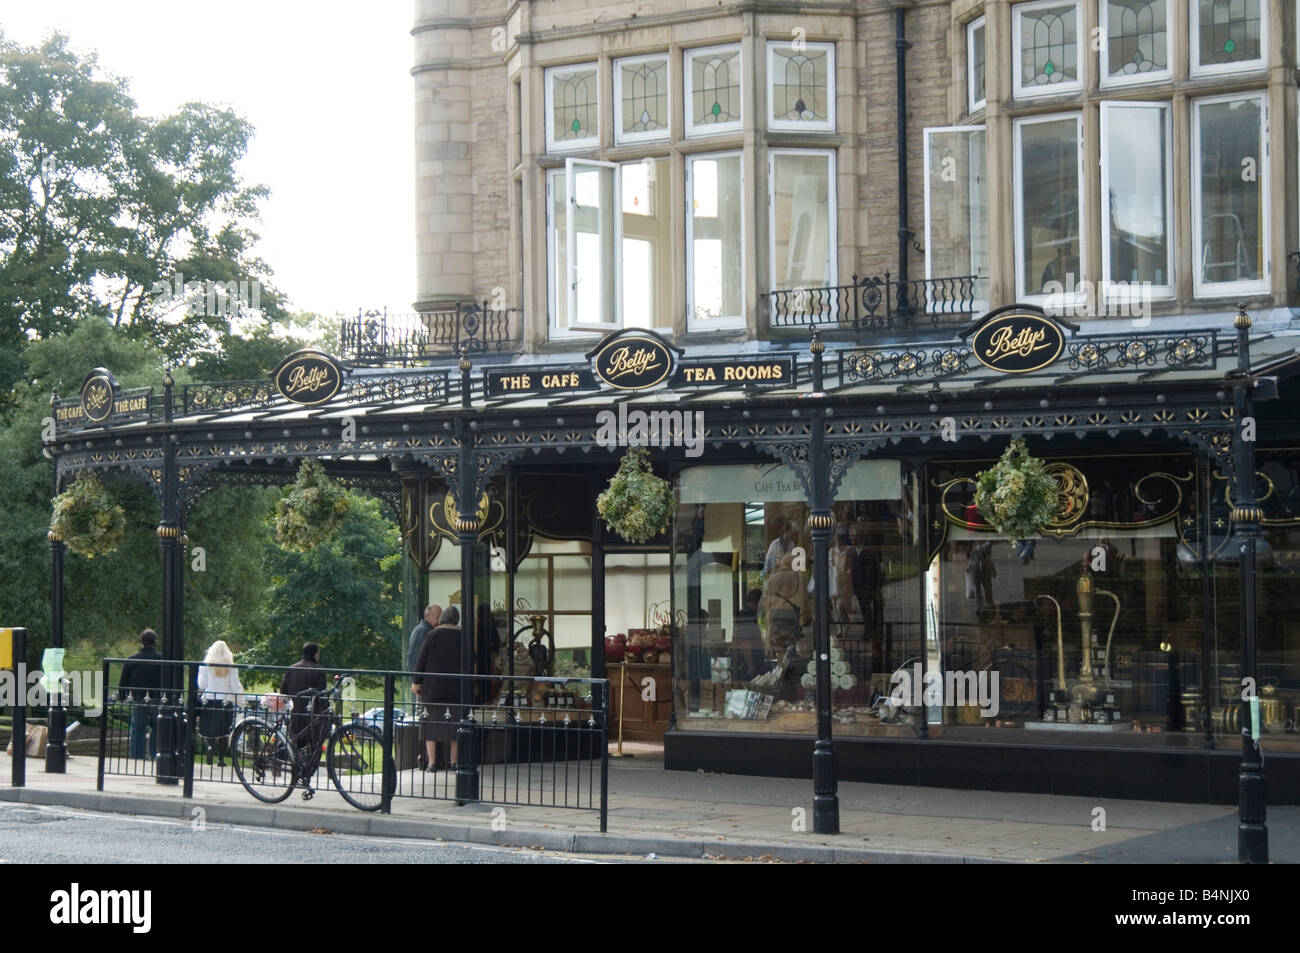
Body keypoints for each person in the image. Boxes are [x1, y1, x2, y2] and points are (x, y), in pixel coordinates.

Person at [414, 606, 462, 771]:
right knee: (454, 727)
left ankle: (432, 763)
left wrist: (417, 684)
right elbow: (473, 658)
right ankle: (453, 762)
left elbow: (420, 661)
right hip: (456, 689)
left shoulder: (432, 635)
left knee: (430, 726)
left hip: (432, 689)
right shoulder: (462, 637)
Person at [197, 640, 244, 766]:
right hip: (225, 700)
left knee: (208, 727)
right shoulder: (231, 667)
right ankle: (221, 759)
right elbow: (234, 687)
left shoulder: (205, 665)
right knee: (224, 731)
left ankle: (210, 747)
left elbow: (202, 685)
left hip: (208, 699)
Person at [119, 629, 163, 760]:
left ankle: (136, 756)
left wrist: (122, 695)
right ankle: (154, 755)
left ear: (141, 641)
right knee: (157, 726)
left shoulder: (132, 659)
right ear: (155, 642)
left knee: (137, 727)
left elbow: (124, 679)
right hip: (157, 697)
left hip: (138, 696)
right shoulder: (161, 659)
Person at [280, 642, 327, 751]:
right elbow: (322, 692)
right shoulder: (319, 670)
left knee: (296, 748)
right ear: (315, 654)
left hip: (295, 715)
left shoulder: (291, 668)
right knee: (313, 749)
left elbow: (283, 690)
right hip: (312, 716)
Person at [764, 553, 808, 657]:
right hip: (792, 616)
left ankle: (782, 667)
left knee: (778, 646)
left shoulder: (771, 579)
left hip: (776, 616)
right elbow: (804, 602)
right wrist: (805, 620)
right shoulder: (799, 577)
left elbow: (767, 606)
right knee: (792, 645)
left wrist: (767, 633)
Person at [407, 604, 442, 675]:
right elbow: (415, 657)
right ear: (427, 615)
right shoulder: (423, 631)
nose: (439, 621)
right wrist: (416, 681)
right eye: (437, 618)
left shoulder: (424, 630)